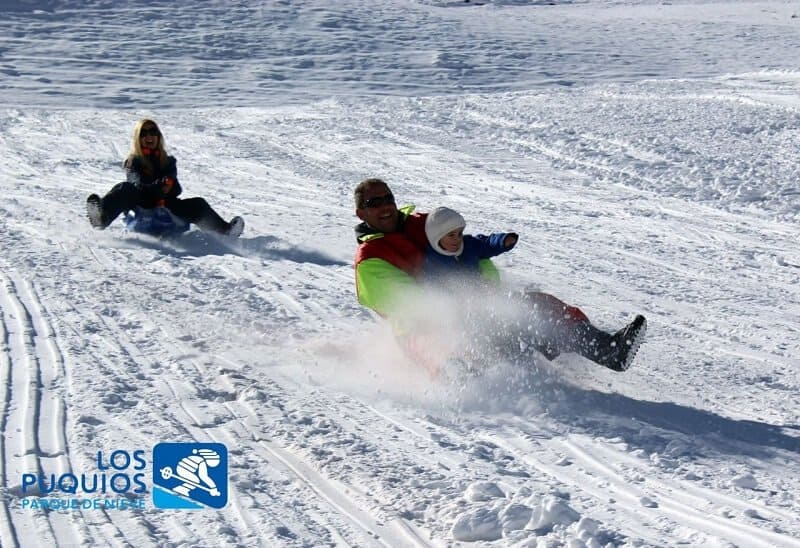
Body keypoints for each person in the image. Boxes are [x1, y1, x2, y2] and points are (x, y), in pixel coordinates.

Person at [353, 177, 647, 373]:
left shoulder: (424, 223)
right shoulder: (370, 260)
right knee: (439, 342)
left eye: (387, 198)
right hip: (426, 328)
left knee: (534, 306)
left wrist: (488, 297)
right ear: (360, 213)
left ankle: (608, 350)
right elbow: (406, 304)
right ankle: (464, 382)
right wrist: (454, 309)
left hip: (474, 308)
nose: (385, 206)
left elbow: (470, 252)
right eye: (373, 203)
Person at [85, 119, 244, 237]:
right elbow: (136, 183)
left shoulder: (168, 161)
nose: (149, 136)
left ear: (158, 136)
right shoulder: (133, 161)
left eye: (153, 132)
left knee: (198, 204)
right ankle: (102, 217)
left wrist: (169, 187)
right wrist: (158, 186)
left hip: (166, 204)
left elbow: (176, 187)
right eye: (144, 133)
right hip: (141, 204)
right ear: (138, 138)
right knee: (124, 188)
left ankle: (224, 231)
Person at [423, 205, 518, 284]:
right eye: (451, 235)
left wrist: (502, 241)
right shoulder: (432, 259)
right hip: (459, 301)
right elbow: (434, 286)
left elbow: (486, 244)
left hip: (482, 291)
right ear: (437, 237)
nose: (457, 239)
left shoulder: (468, 244)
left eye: (459, 233)